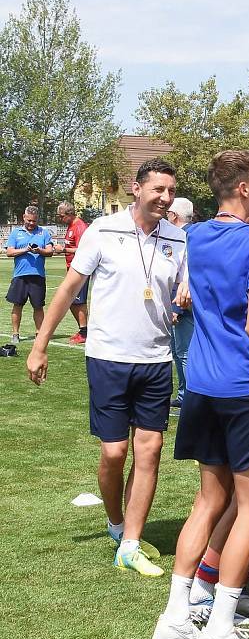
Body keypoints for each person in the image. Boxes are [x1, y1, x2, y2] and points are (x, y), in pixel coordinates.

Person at [152, 149, 249, 639]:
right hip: (243, 387)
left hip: (202, 385)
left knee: (207, 502)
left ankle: (176, 617)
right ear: (247, 188)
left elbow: (244, 222)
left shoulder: (198, 234)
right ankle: (222, 631)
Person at [27, 159, 188, 577]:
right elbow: (68, 289)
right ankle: (116, 524)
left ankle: (131, 543)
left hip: (156, 359)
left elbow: (183, 290)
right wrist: (40, 345)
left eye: (171, 191)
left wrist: (184, 296)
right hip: (109, 357)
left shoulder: (178, 238)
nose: (165, 198)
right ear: (137, 189)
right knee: (115, 452)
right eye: (158, 190)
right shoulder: (103, 230)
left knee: (149, 449)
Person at [5, 205, 53, 344]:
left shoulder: (43, 233)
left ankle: (40, 334)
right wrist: (25, 249)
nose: (31, 223)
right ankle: (15, 334)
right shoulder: (15, 233)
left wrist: (40, 251)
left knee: (38, 306)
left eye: (34, 221)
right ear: (24, 218)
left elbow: (50, 251)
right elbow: (9, 252)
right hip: (20, 275)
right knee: (17, 305)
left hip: (38, 275)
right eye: (29, 220)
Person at [166, 197, 195, 408]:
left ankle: (188, 397)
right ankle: (184, 394)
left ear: (173, 216)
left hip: (185, 305)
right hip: (186, 303)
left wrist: (177, 307)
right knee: (179, 351)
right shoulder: (193, 234)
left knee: (184, 352)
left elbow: (185, 274)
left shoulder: (186, 236)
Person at [54, 202, 89, 344]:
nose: (60, 219)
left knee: (78, 301)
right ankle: (84, 330)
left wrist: (63, 249)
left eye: (61, 216)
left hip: (80, 270)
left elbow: (84, 249)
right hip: (72, 268)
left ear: (69, 214)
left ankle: (85, 332)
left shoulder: (80, 227)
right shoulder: (71, 226)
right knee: (71, 301)